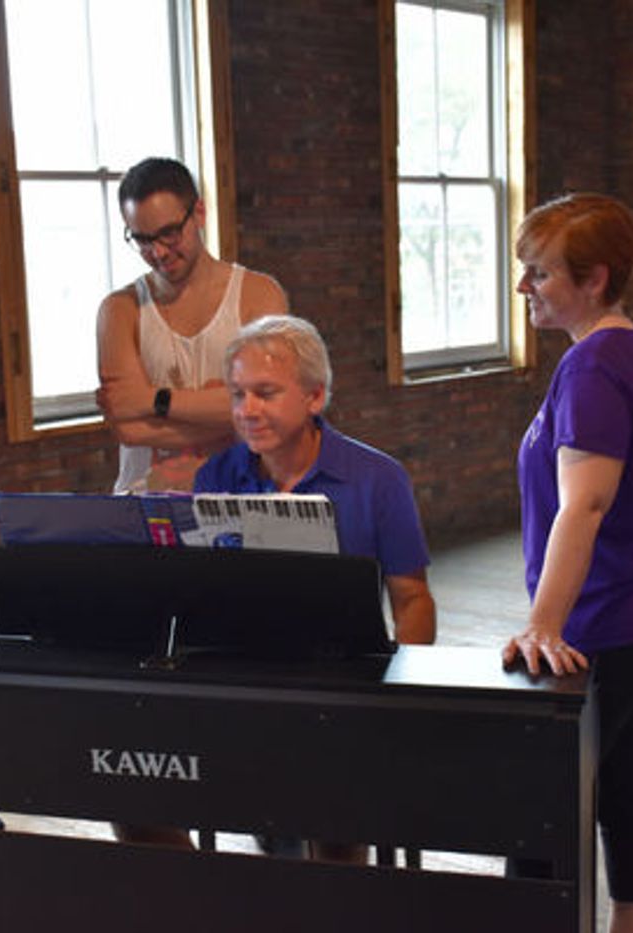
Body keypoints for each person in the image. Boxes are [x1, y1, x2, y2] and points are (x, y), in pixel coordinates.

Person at [501, 194, 633, 933]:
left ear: (592, 279)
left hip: (612, 621)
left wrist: (542, 623)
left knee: (537, 802)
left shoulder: (594, 367)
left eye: (539, 273)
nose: (524, 287)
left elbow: (584, 506)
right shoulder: (630, 346)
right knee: (623, 778)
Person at [196, 314, 437, 864]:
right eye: (237, 395)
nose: (246, 410)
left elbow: (412, 598)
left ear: (314, 397)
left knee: (334, 816)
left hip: (343, 684)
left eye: (265, 393)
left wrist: (401, 694)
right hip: (248, 686)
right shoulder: (216, 477)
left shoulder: (379, 478)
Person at [96, 156, 288, 494]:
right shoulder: (119, 310)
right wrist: (228, 416)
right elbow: (127, 426)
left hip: (241, 504)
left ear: (198, 213)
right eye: (142, 239)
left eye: (169, 234)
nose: (158, 252)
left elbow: (271, 409)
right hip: (145, 509)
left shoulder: (259, 296)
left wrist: (153, 401)